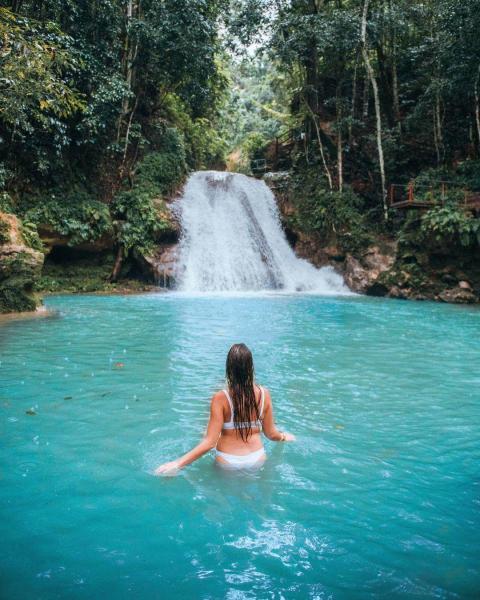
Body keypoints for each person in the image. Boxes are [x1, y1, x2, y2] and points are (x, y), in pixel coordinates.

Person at [155, 343, 295, 475]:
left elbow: (209, 443)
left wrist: (177, 463)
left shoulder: (221, 397)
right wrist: (283, 436)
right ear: (251, 367)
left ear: (229, 368)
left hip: (228, 461)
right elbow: (271, 434)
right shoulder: (264, 394)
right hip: (257, 458)